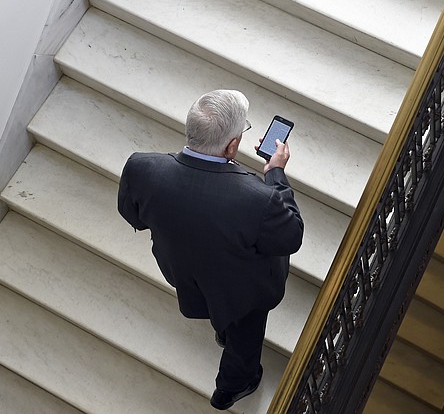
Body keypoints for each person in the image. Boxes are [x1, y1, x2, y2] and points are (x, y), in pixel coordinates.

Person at [117, 89, 304, 410]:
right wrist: (275, 173)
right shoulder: (259, 199)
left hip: (182, 270)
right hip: (244, 288)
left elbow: (132, 214)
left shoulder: (141, 168)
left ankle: (221, 329)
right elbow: (290, 238)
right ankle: (232, 387)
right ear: (232, 145)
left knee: (212, 302)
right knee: (243, 334)